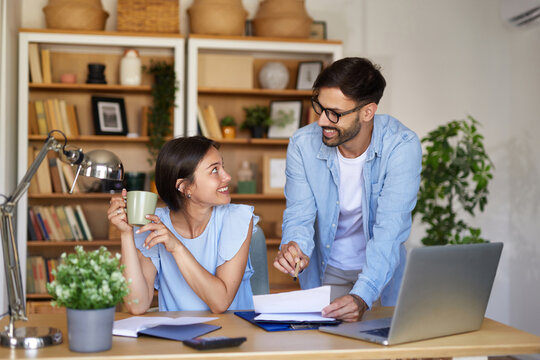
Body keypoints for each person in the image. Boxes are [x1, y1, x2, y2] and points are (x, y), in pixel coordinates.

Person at [273, 57, 422, 322]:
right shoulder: (302, 145)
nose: (321, 121)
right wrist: (295, 246)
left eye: (335, 114)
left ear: (368, 112)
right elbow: (299, 214)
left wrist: (363, 295)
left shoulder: (401, 146)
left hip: (381, 272)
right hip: (326, 270)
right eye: (319, 107)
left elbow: (390, 230)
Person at [108, 136, 258, 314]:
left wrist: (177, 248)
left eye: (222, 167)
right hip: (175, 336)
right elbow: (137, 305)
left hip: (232, 334)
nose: (227, 177)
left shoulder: (236, 218)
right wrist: (126, 234)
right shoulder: (154, 223)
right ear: (185, 187)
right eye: (214, 170)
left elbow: (220, 302)